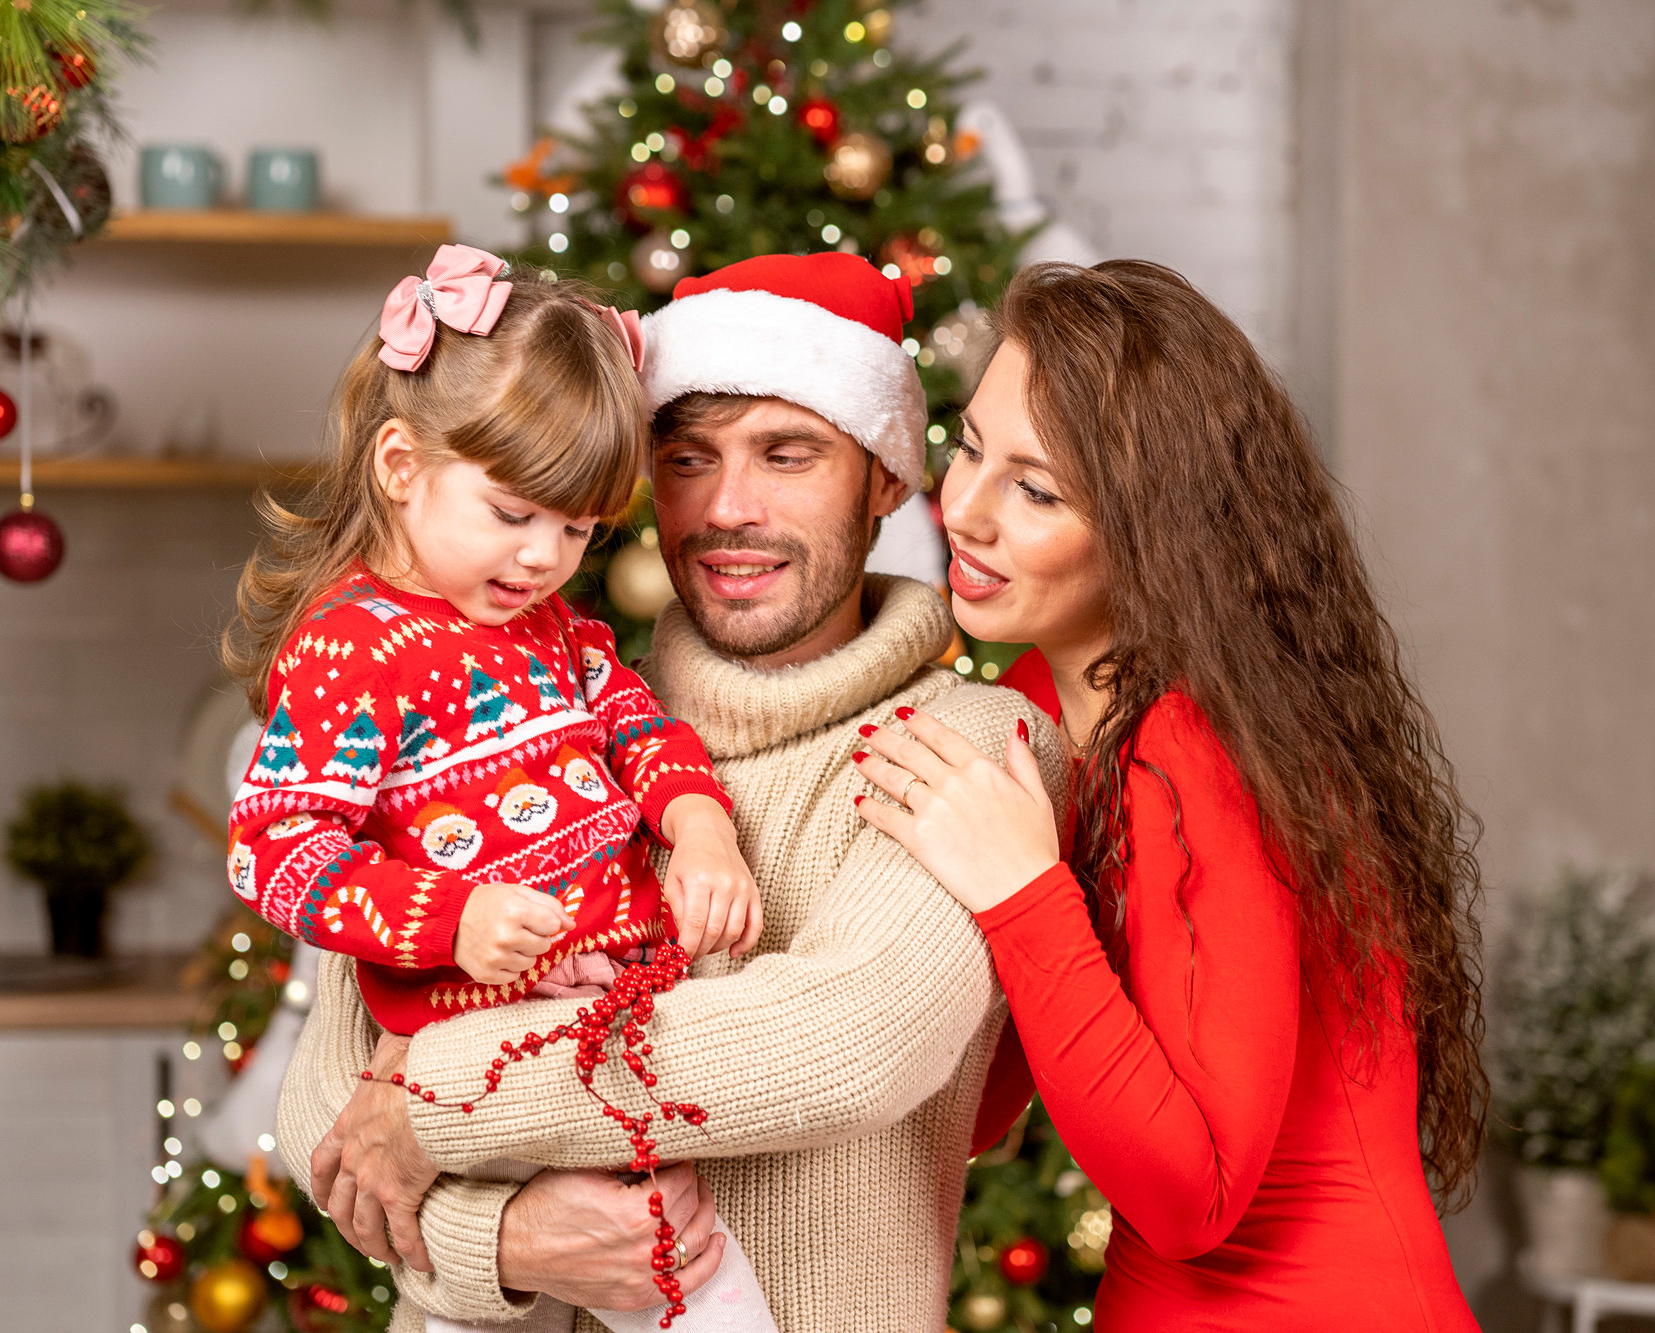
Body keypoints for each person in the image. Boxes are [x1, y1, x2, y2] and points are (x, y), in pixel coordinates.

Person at [275, 252, 1070, 1333]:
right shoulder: (527, 708)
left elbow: (839, 1047)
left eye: (787, 454)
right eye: (687, 458)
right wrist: (503, 1241)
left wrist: (428, 1091)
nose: (729, 508)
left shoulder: (972, 746)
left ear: (885, 477)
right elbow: (324, 1104)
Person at [854, 260, 1488, 1331]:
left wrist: (1021, 890)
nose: (960, 511)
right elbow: (978, 1097)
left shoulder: (1195, 747)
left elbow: (1189, 1196)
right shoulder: (1029, 707)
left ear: (1155, 532)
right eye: (967, 449)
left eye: (1035, 488)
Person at [223, 244, 772, 1333]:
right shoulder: (352, 649)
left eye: (575, 529)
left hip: (607, 1024)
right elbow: (273, 849)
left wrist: (700, 828)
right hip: (476, 1057)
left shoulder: (552, 629)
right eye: (514, 513)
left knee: (702, 1287)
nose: (542, 559)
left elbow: (632, 723)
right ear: (398, 464)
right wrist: (452, 914)